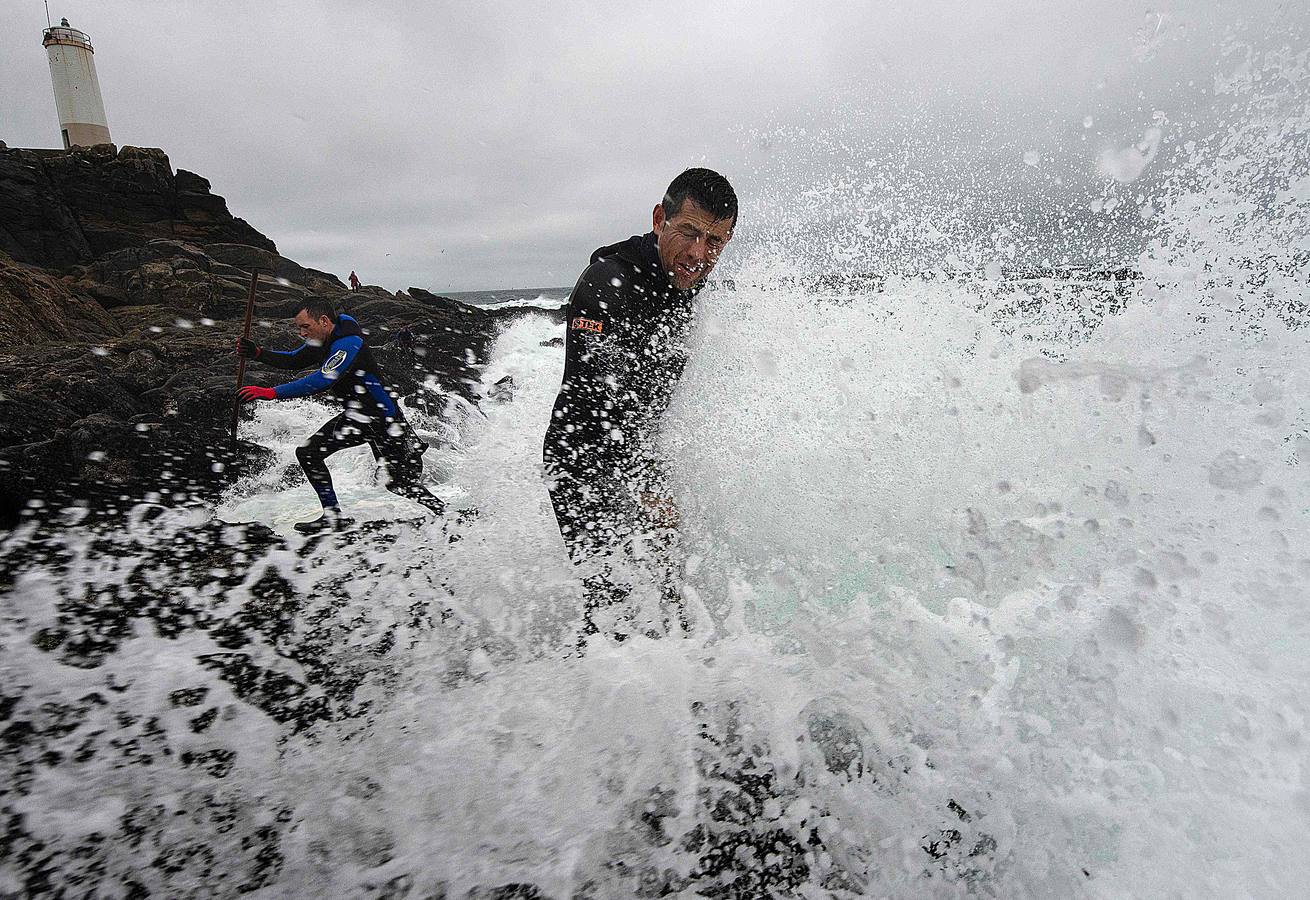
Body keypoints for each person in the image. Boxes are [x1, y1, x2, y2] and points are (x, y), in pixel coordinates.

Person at [543, 168, 737, 641]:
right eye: (689, 233)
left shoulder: (688, 284)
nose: (698, 254)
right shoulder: (606, 284)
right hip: (580, 462)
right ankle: (596, 686)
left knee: (671, 589)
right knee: (613, 605)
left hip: (638, 454)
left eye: (714, 243)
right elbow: (598, 398)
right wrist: (647, 479)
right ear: (659, 219)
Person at [236, 297, 445, 533]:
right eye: (299, 328)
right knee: (308, 453)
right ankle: (333, 516)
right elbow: (295, 360)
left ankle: (444, 513)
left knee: (398, 484)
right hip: (358, 416)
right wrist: (257, 353)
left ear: (324, 321)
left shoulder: (348, 344)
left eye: (305, 326)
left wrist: (272, 393)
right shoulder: (324, 338)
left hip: (383, 419)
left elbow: (322, 379)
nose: (302, 333)